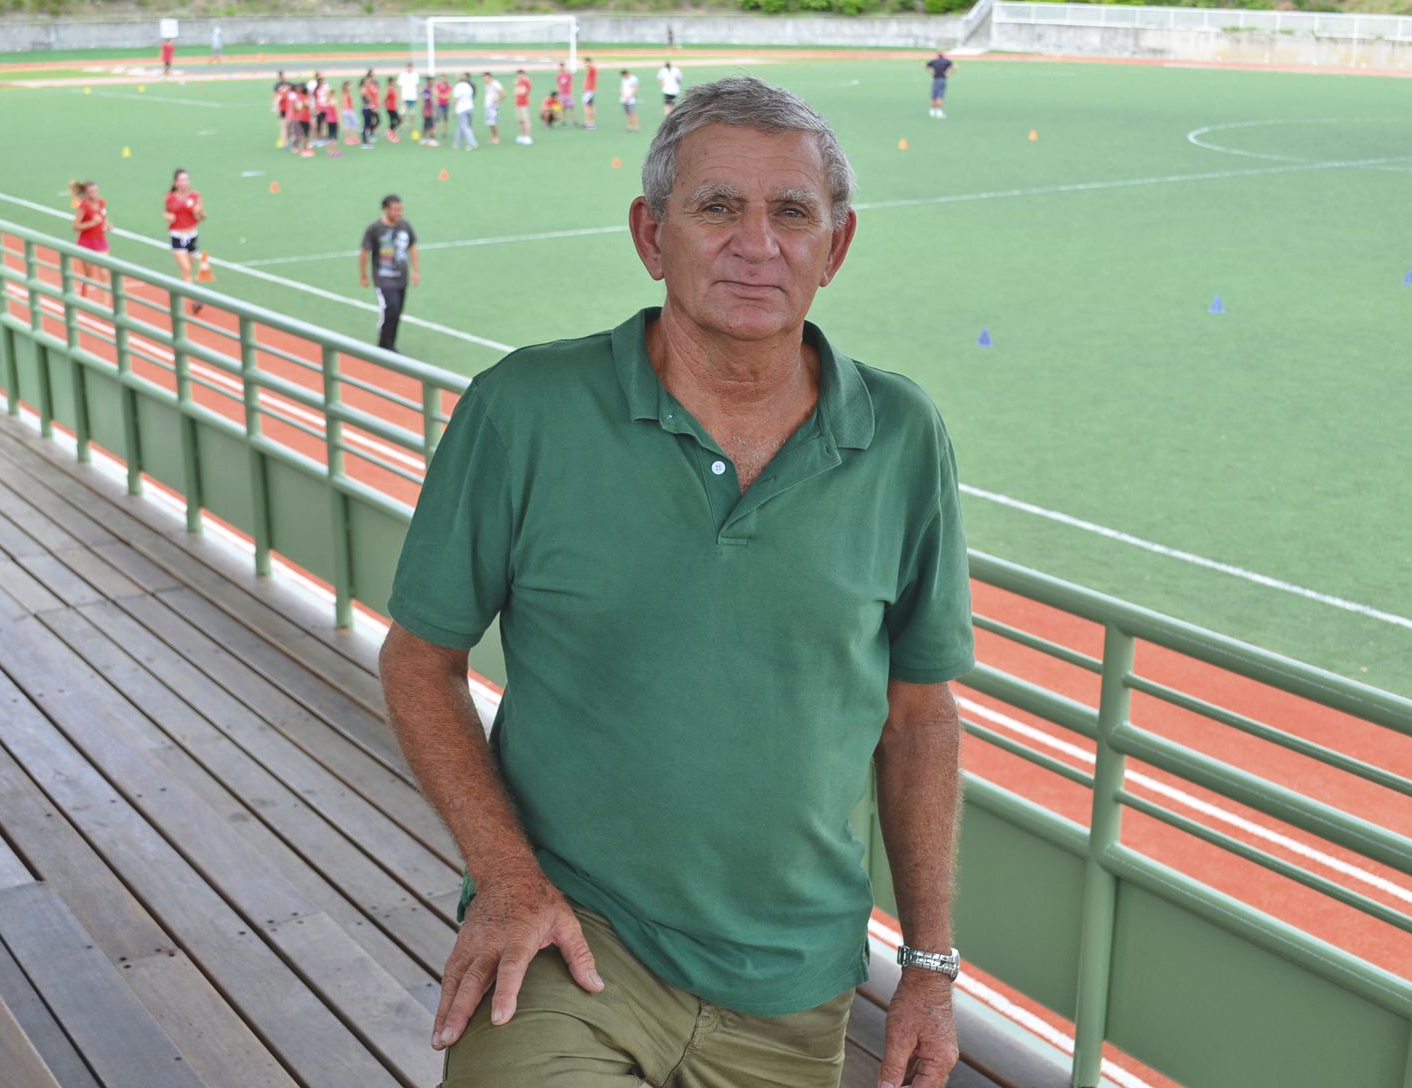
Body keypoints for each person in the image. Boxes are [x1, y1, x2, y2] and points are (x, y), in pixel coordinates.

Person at [380, 75, 971, 1088]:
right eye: (715, 207)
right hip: (571, 944)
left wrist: (927, 967)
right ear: (651, 236)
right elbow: (418, 660)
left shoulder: (903, 437)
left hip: (793, 988)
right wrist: (510, 882)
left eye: (791, 211)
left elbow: (917, 717)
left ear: (835, 245)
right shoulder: (524, 411)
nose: (756, 242)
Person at [358, 194, 418, 354]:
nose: (399, 213)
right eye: (395, 210)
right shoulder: (375, 228)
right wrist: (363, 275)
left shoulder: (404, 226)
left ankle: (390, 343)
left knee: (397, 311)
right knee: (390, 309)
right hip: (383, 279)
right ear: (386, 209)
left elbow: (412, 246)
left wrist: (415, 271)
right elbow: (365, 251)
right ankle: (384, 345)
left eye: (401, 209)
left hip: (401, 279)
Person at [162, 168, 207, 314]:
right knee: (187, 270)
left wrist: (198, 212)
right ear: (176, 182)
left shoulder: (195, 196)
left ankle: (181, 296)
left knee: (187, 272)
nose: (184, 182)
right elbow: (166, 212)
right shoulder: (170, 198)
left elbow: (203, 217)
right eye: (181, 179)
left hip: (192, 236)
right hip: (177, 236)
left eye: (186, 179)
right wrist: (167, 217)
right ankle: (191, 301)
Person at [69, 180, 109, 298]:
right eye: (91, 192)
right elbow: (75, 226)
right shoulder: (83, 206)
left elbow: (103, 217)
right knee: (89, 275)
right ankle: (84, 296)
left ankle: (107, 306)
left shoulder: (102, 203)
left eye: (96, 191)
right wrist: (92, 223)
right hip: (86, 243)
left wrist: (107, 224)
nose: (94, 194)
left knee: (105, 273)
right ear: (86, 193)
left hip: (101, 241)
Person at [452, 73, 477, 151]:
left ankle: (472, 143)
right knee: (461, 126)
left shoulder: (458, 87)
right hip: (470, 108)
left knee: (465, 127)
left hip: (461, 109)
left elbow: (456, 99)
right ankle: (456, 143)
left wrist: (453, 110)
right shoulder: (468, 86)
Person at [926, 51, 953, 119]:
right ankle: (939, 111)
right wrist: (948, 73)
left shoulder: (934, 61)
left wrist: (931, 72)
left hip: (935, 79)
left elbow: (925, 66)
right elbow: (955, 67)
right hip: (942, 79)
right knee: (940, 96)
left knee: (934, 96)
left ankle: (932, 111)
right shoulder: (946, 61)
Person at [481, 71, 505, 145]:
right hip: (488, 106)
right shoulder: (487, 85)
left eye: (485, 78)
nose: (484, 79)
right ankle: (493, 136)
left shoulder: (495, 84)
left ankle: (496, 137)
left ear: (489, 77)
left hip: (493, 107)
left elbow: (503, 93)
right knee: (490, 122)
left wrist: (498, 101)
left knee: (493, 122)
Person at [398, 62, 421, 137]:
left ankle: (412, 125)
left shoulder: (415, 75)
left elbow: (417, 86)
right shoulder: (402, 74)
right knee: (402, 112)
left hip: (413, 96)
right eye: (408, 67)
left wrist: (417, 95)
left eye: (410, 67)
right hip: (405, 96)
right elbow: (400, 86)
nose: (409, 68)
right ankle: (401, 125)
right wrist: (400, 96)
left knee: (412, 112)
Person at [513, 68, 533, 145]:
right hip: (517, 103)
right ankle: (522, 135)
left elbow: (522, 92)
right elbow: (515, 92)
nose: (519, 76)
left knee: (525, 120)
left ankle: (527, 136)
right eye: (518, 74)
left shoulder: (526, 82)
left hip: (524, 104)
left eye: (521, 74)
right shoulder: (519, 82)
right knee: (520, 121)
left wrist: (517, 90)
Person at [272, 71, 291, 149]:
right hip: (283, 110)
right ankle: (285, 144)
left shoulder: (289, 84)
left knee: (288, 127)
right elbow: (275, 98)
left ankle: (286, 141)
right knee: (284, 127)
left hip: (289, 109)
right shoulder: (277, 87)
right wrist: (276, 110)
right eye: (282, 76)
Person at [618, 68, 640, 133]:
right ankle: (629, 126)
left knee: (633, 113)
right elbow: (621, 88)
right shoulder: (623, 80)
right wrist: (623, 95)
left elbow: (636, 88)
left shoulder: (634, 79)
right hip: (624, 99)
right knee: (627, 113)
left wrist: (630, 96)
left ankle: (636, 126)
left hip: (631, 99)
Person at [419, 76, 438, 146]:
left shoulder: (430, 89)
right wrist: (428, 110)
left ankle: (424, 139)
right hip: (428, 110)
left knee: (427, 125)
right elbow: (425, 100)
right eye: (431, 81)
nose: (432, 82)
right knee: (431, 125)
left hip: (430, 109)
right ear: (428, 81)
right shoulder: (426, 90)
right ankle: (431, 139)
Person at [384, 76, 403, 143]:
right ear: (391, 82)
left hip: (393, 107)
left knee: (397, 121)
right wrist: (385, 103)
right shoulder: (389, 89)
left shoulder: (393, 88)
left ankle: (391, 133)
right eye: (394, 81)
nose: (395, 82)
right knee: (395, 120)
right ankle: (390, 133)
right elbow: (386, 97)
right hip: (390, 108)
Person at [581, 56, 598, 128]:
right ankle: (591, 122)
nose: (584, 64)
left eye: (585, 62)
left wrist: (588, 64)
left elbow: (591, 67)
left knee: (586, 106)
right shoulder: (590, 70)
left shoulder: (592, 69)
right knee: (590, 106)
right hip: (589, 91)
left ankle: (588, 123)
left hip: (589, 91)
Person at [555, 62, 574, 127]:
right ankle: (564, 122)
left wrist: (570, 92)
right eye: (560, 66)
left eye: (563, 66)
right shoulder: (558, 76)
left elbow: (571, 83)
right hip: (562, 94)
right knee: (563, 108)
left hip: (568, 93)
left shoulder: (568, 75)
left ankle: (575, 121)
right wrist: (558, 94)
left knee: (572, 108)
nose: (561, 68)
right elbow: (557, 85)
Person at [435, 73, 452, 140]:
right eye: (442, 78)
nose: (443, 79)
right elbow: (436, 94)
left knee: (445, 119)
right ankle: (435, 131)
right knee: (437, 119)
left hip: (446, 104)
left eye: (444, 78)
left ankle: (444, 132)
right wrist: (443, 96)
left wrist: (441, 95)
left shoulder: (448, 86)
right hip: (439, 104)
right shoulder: (437, 85)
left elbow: (448, 96)